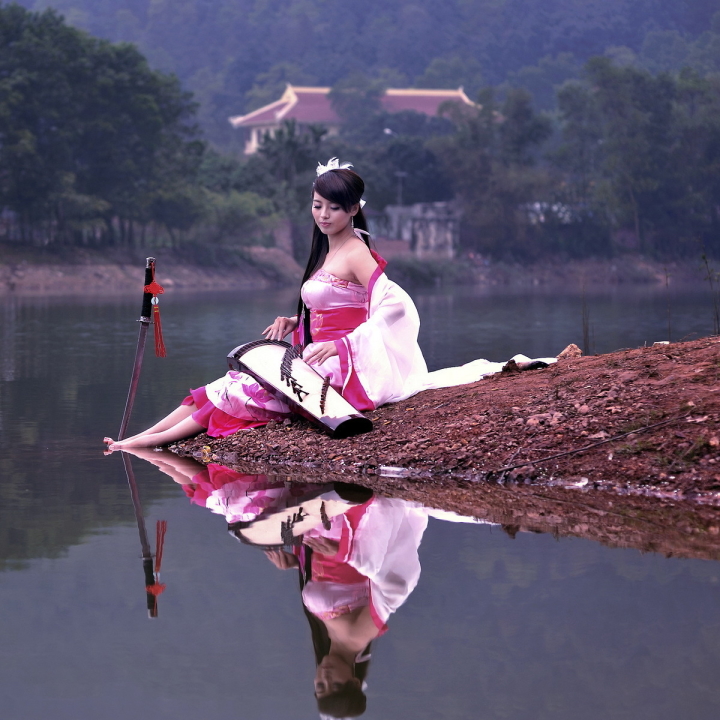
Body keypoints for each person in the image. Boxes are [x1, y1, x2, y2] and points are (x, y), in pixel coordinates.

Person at [104, 158, 554, 450]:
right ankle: (141, 438)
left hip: (343, 364)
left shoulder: (358, 252)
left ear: (353, 210)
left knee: (237, 391)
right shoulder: (327, 249)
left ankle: (139, 446)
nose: (323, 215)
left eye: (333, 209)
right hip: (316, 352)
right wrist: (293, 321)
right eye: (317, 206)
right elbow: (326, 306)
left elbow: (391, 309)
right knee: (224, 382)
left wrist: (342, 347)